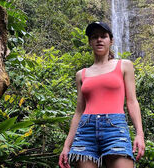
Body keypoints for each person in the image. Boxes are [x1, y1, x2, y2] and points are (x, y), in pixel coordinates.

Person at [59, 21, 145, 168]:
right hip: (86, 130)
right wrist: (67, 146)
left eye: (103, 36)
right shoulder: (81, 74)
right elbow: (79, 111)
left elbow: (132, 102)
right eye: (94, 36)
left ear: (111, 41)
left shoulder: (124, 65)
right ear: (90, 42)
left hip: (115, 129)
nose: (99, 39)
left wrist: (140, 134)